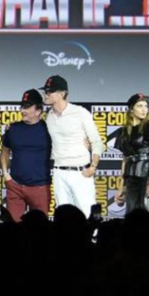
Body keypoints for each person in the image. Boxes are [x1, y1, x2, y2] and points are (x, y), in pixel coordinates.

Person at [41, 75, 103, 217]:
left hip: (80, 171)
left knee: (87, 213)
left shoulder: (80, 112)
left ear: (62, 94)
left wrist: (93, 167)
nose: (46, 94)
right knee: (63, 216)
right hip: (59, 172)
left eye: (50, 91)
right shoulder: (48, 116)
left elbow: (96, 142)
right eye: (45, 91)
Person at [0, 89, 52, 222]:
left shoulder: (49, 129)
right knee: (12, 228)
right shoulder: (13, 128)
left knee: (39, 229)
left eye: (27, 107)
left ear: (38, 111)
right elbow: (5, 150)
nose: (23, 110)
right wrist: (5, 174)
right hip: (15, 187)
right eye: (22, 106)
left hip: (40, 188)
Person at [114, 93, 149, 213]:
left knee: (144, 213)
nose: (144, 109)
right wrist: (121, 187)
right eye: (139, 106)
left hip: (146, 175)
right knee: (131, 213)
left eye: (146, 106)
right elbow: (125, 160)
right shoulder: (122, 132)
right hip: (130, 177)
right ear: (131, 109)